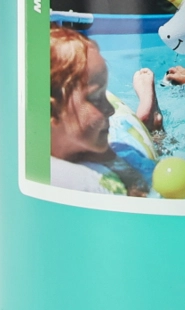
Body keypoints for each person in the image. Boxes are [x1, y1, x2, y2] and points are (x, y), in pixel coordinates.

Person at [47, 25, 162, 195]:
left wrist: (136, 189)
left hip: (120, 136)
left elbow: (137, 181)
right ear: (51, 110)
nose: (110, 110)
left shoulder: (95, 147)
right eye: (95, 98)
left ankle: (150, 118)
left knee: (158, 145)